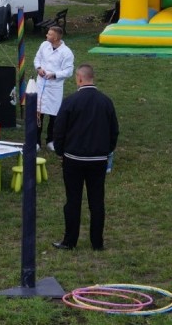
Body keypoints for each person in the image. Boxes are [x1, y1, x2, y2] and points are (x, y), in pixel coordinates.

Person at [52, 64, 119, 251]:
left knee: (73, 200)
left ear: (79, 79)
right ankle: (97, 243)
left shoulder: (70, 101)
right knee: (97, 201)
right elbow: (114, 131)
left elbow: (59, 130)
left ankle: (69, 240)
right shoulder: (106, 102)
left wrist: (61, 151)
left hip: (73, 158)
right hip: (98, 159)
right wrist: (106, 150)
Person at [33, 25, 74, 151]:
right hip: (41, 84)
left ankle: (51, 140)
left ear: (55, 37)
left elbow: (68, 71)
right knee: (38, 113)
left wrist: (55, 74)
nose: (47, 35)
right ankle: (36, 141)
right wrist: (39, 68)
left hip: (54, 87)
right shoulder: (44, 45)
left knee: (54, 116)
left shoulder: (66, 52)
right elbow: (37, 59)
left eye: (49, 34)